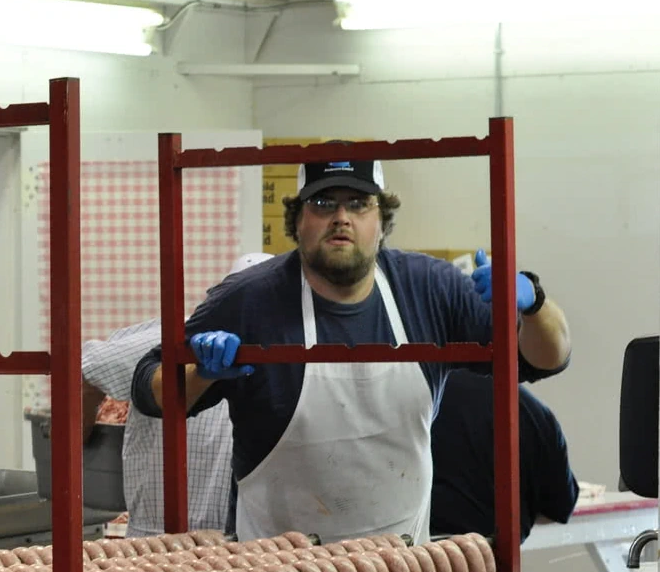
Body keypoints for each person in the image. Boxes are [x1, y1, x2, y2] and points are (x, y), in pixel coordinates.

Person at [131, 149, 572, 543]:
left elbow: (545, 358)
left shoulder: (429, 289)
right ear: (298, 221)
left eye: (359, 204)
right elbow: (149, 391)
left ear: (381, 223)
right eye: (323, 204)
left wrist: (533, 302)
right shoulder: (250, 300)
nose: (341, 217)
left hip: (400, 570)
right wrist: (202, 371)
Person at [81, 252, 274, 538]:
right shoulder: (176, 335)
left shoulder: (291, 351)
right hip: (159, 541)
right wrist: (73, 466)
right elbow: (84, 369)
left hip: (247, 543)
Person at [430, 368, 579, 541]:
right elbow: (560, 508)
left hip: (406, 552)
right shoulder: (531, 410)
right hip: (493, 556)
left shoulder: (414, 392)